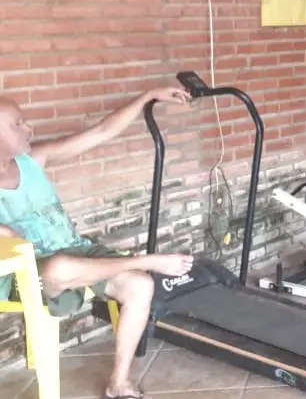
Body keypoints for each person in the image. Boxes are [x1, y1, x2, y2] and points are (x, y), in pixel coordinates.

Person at [0, 87, 196, 399]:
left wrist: (147, 96)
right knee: (59, 268)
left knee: (140, 286)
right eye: (17, 125)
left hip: (76, 251)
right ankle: (142, 260)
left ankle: (118, 383)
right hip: (24, 275)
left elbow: (102, 132)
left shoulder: (33, 160)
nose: (29, 129)